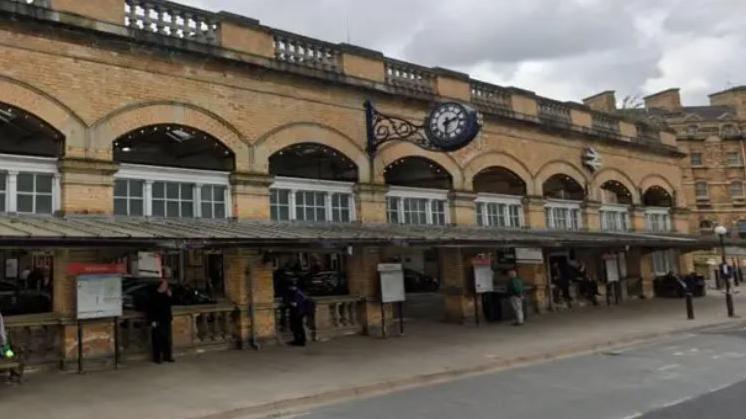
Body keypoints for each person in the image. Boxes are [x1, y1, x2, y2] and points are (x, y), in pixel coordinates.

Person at [147, 276, 174, 364]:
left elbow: (170, 305)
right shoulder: (154, 295)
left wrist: (170, 296)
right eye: (164, 284)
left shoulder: (166, 295)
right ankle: (157, 357)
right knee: (157, 340)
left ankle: (167, 356)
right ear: (160, 286)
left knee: (167, 339)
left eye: (166, 284)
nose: (166, 286)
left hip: (166, 320)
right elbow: (150, 310)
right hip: (157, 321)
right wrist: (152, 321)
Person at [284, 280, 312, 346]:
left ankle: (300, 341)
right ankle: (300, 340)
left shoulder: (297, 293)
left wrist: (289, 303)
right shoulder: (299, 292)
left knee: (298, 326)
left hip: (298, 312)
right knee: (298, 326)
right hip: (300, 312)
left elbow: (295, 304)